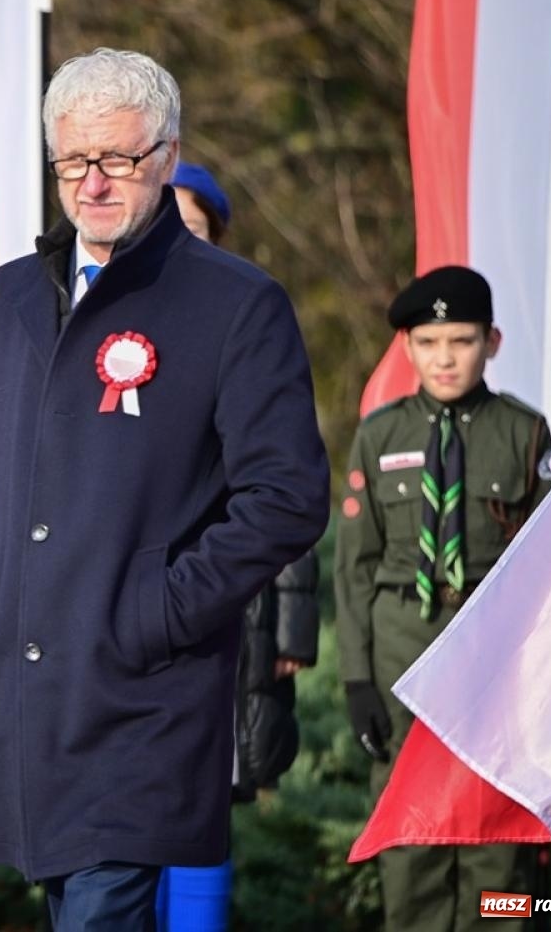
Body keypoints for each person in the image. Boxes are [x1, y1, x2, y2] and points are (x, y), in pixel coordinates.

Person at [0, 48, 329, 931]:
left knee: (103, 912)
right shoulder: (15, 295)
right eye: (74, 162)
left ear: (166, 153)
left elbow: (287, 493)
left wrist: (158, 605)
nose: (94, 184)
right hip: (31, 688)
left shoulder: (236, 303)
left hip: (144, 693)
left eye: (118, 159)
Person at [335, 265, 551, 932]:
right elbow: (355, 568)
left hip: (497, 654)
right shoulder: (380, 436)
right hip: (403, 649)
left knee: (497, 826)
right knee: (412, 829)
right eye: (428, 343)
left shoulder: (525, 433)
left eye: (460, 341)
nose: (444, 358)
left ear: (491, 342)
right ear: (407, 347)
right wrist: (355, 678)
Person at [153, 161, 323, 931]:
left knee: (208, 787)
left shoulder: (251, 318)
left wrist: (290, 628)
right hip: (132, 613)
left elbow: (287, 488)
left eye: (193, 222)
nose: (178, 234)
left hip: (227, 606)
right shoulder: (110, 329)